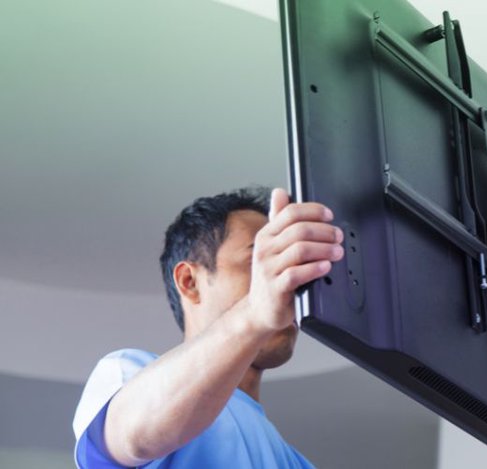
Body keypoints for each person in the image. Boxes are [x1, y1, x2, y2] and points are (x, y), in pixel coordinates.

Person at [72, 186, 344, 468]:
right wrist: (254, 312)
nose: (286, 283)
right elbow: (133, 436)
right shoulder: (126, 373)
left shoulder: (294, 463)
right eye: (258, 261)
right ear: (189, 282)